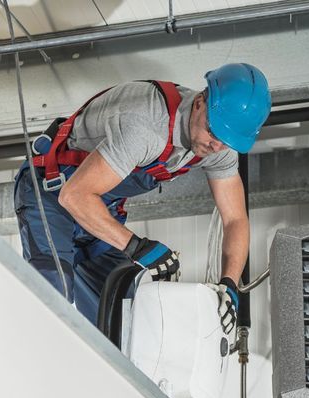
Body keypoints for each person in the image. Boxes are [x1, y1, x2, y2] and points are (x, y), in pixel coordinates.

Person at [14, 62, 271, 333]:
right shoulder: (146, 125)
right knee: (53, 296)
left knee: (128, 314)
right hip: (52, 193)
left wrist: (229, 286)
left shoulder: (219, 146)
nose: (216, 146)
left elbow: (235, 220)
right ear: (199, 103)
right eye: (213, 132)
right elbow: (74, 196)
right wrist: (137, 247)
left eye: (227, 141)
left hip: (98, 206)